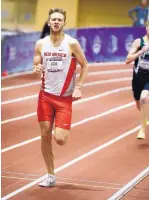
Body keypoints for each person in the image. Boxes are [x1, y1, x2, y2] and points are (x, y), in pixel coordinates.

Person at [33, 8, 88, 187]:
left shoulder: (72, 44)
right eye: (53, 19)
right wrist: (36, 68)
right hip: (45, 96)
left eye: (59, 19)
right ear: (48, 22)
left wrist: (78, 86)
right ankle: (50, 174)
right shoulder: (41, 43)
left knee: (60, 140)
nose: (56, 22)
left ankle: (60, 134)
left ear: (64, 23)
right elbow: (36, 62)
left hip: (64, 99)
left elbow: (85, 65)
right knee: (45, 134)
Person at [125, 19, 149, 139]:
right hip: (137, 78)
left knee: (144, 98)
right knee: (139, 102)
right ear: (146, 27)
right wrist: (140, 52)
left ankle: (142, 130)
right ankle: (144, 117)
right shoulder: (138, 42)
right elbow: (127, 60)